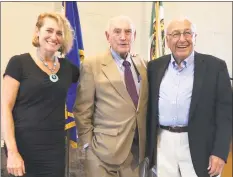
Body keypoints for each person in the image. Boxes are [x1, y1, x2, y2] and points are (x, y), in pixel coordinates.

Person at [146, 17, 232, 177]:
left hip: (201, 146)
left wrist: (220, 152)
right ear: (167, 40)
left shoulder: (215, 67)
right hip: (163, 144)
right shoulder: (154, 67)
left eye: (188, 33)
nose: (182, 39)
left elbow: (226, 115)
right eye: (176, 34)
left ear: (195, 37)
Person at [1, 12, 80, 177]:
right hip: (23, 150)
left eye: (59, 33)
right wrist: (12, 151)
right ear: (38, 32)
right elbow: (5, 108)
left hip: (55, 151)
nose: (54, 37)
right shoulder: (19, 63)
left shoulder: (68, 68)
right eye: (49, 30)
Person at [73, 15, 148, 177]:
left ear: (134, 36)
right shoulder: (92, 64)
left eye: (128, 32)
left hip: (135, 156)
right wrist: (88, 147)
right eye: (117, 32)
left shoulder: (142, 64)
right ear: (107, 36)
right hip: (101, 156)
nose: (123, 37)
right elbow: (82, 110)